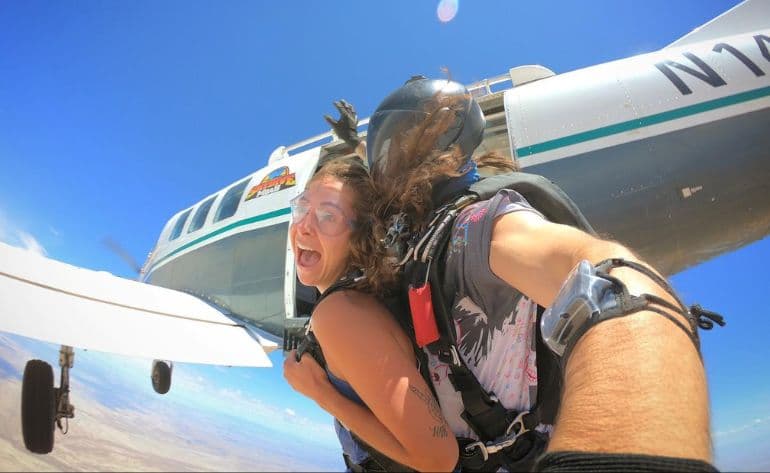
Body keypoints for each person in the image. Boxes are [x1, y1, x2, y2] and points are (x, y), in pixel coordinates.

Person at [317, 76, 722, 472]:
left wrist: (619, 452)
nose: (382, 171)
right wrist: (348, 144)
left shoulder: (478, 228)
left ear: (423, 156)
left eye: (392, 154)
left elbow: (610, 278)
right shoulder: (425, 237)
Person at [282, 156, 459, 472]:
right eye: (302, 208)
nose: (304, 226)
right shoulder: (359, 301)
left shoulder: (339, 315)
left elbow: (439, 459)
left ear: (358, 236)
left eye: (327, 216)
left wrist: (321, 393)